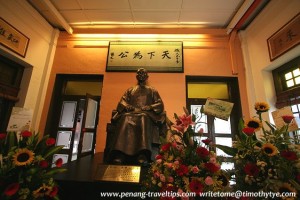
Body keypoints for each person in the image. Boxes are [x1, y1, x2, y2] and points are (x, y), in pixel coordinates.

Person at [108, 68, 166, 165]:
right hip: (131, 112)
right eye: (139, 73)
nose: (141, 75)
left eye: (144, 74)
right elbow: (123, 101)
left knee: (143, 117)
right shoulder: (130, 90)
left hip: (145, 114)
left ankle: (142, 153)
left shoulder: (152, 91)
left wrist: (150, 106)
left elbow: (160, 104)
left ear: (147, 77)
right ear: (136, 76)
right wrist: (127, 106)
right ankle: (120, 153)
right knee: (125, 117)